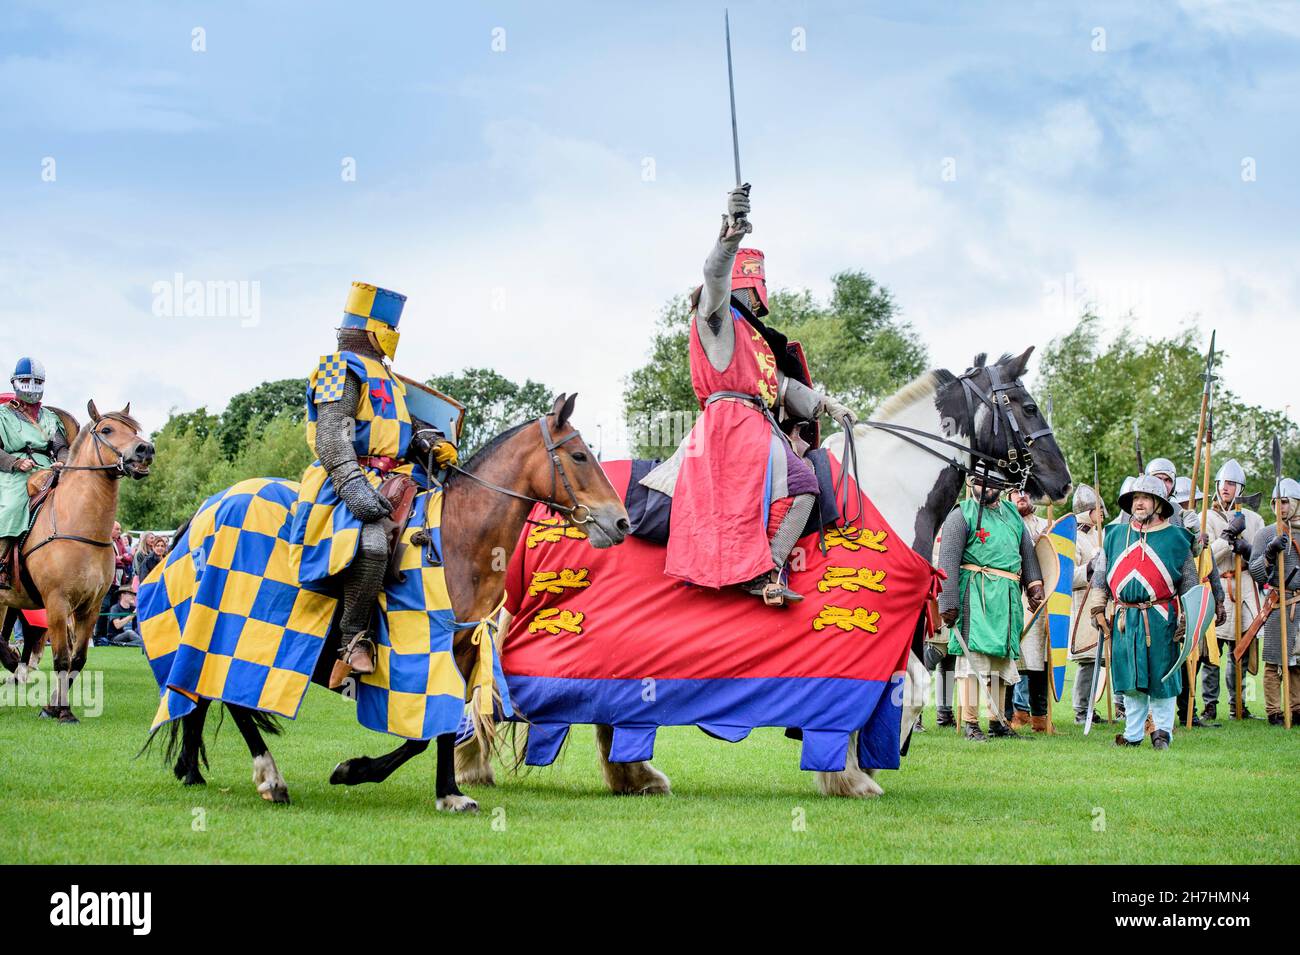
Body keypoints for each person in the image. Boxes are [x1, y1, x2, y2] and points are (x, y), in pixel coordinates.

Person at [639, 185, 857, 606]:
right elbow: (713, 277)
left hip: (756, 423)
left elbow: (784, 388)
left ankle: (767, 565)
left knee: (804, 481)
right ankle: (766, 569)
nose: (757, 302)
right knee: (805, 482)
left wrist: (828, 404)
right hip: (731, 424)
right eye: (754, 291)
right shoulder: (716, 319)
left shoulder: (755, 341)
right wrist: (729, 239)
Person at [288, 281, 458, 677]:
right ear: (368, 328)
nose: (393, 337)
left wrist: (431, 443)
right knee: (373, 542)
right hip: (346, 475)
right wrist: (352, 486)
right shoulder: (336, 367)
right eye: (388, 328)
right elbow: (331, 437)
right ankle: (351, 639)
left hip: (399, 478)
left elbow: (403, 426)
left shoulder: (391, 379)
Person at [1089, 475, 1199, 750]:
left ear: (1159, 504)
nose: (1139, 503)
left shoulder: (1177, 539)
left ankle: (1162, 731)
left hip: (1161, 617)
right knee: (1129, 678)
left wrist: (1187, 616)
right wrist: (1097, 605)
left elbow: (1189, 583)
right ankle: (1133, 733)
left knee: (1162, 675)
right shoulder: (1114, 535)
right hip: (1125, 618)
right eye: (1135, 498)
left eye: (1145, 498)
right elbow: (1101, 576)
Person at [937, 470, 1045, 741]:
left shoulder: (1011, 514)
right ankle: (972, 724)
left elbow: (1027, 553)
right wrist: (948, 601)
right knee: (972, 659)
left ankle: (997, 722)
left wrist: (1035, 586)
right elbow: (947, 561)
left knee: (1000, 660)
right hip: (975, 593)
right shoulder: (962, 514)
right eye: (978, 481)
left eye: (989, 482)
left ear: (1000, 485)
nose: (983, 486)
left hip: (1007, 597)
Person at [1200, 459, 1265, 720]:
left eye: (1231, 483)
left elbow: (1262, 560)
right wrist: (1227, 537)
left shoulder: (1255, 519)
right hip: (1218, 587)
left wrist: (1247, 550)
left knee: (1241, 652)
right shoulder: (1207, 517)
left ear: (1240, 487)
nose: (1225, 487)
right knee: (1212, 654)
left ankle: (1239, 706)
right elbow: (1205, 557)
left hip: (1245, 588)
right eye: (1222, 483)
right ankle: (1210, 707)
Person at [0, 358, 70, 588]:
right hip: (14, 472)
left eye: (36, 381)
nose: (31, 385)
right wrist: (14, 462)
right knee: (11, 506)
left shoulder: (50, 417)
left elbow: (61, 446)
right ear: (16, 383)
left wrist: (61, 461)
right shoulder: (3, 415)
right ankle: (1, 564)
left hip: (48, 468)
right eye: (26, 380)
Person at [1247, 477, 1300, 726]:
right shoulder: (1266, 533)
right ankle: (1274, 711)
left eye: (1286, 502)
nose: (1282, 507)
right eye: (1277, 502)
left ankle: (1297, 709)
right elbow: (1256, 572)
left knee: (1298, 662)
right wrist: (1269, 552)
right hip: (1279, 603)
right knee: (1274, 662)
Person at [1007, 487, 1052, 731]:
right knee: (1013, 658)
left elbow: (1057, 565)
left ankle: (1040, 719)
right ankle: (1013, 713)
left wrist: (1050, 541)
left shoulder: (1049, 525)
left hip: (1041, 600)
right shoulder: (1005, 523)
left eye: (1025, 490)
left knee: (1039, 661)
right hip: (1014, 595)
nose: (1021, 494)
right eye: (1015, 491)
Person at [1068, 483, 1107, 724]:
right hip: (1082, 604)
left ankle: (1091, 708)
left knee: (1101, 659)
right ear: (1087, 510)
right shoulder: (1073, 537)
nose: (1102, 513)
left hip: (1101, 603)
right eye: (1098, 509)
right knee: (1089, 659)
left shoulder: (1099, 536)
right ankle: (1081, 711)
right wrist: (1091, 567)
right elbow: (1067, 577)